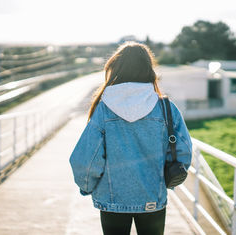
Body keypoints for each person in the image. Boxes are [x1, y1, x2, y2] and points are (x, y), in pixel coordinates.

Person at [69, 42, 192, 235]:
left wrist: (87, 187)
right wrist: (163, 181)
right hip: (153, 198)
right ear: (148, 70)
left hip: (112, 201)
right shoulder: (167, 108)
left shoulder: (104, 108)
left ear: (116, 68)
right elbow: (183, 152)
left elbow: (85, 160)